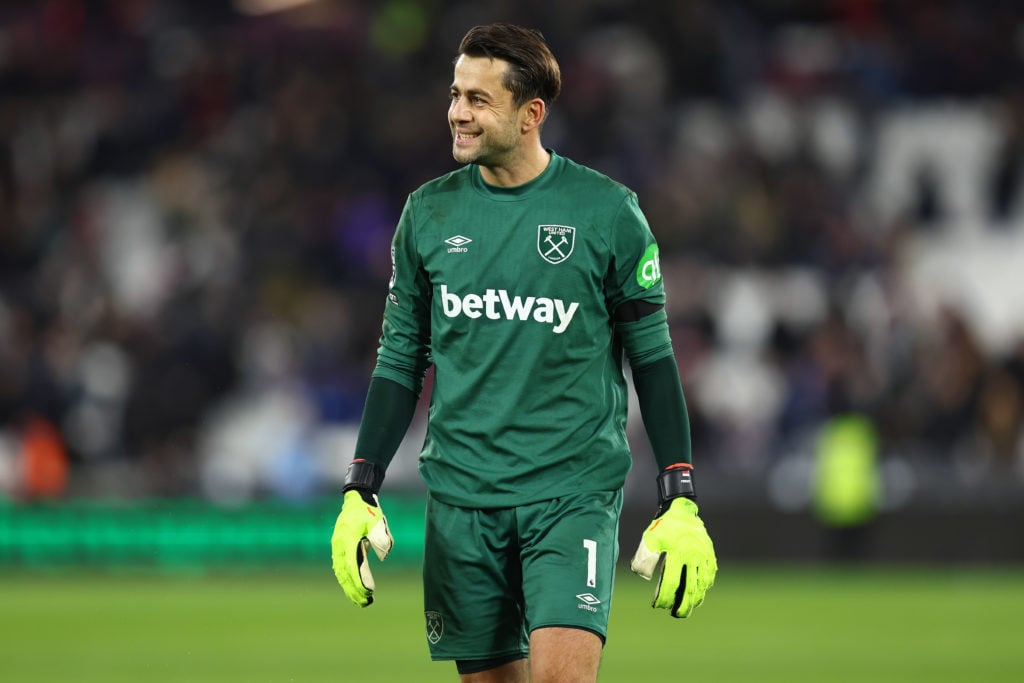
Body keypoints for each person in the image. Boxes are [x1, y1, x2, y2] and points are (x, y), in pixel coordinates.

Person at [331, 23, 717, 683]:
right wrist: (359, 488)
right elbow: (400, 362)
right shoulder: (427, 216)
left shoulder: (607, 214)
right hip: (461, 500)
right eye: (455, 94)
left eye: (478, 99)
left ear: (530, 112)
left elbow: (653, 361)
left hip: (570, 494)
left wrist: (678, 495)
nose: (457, 111)